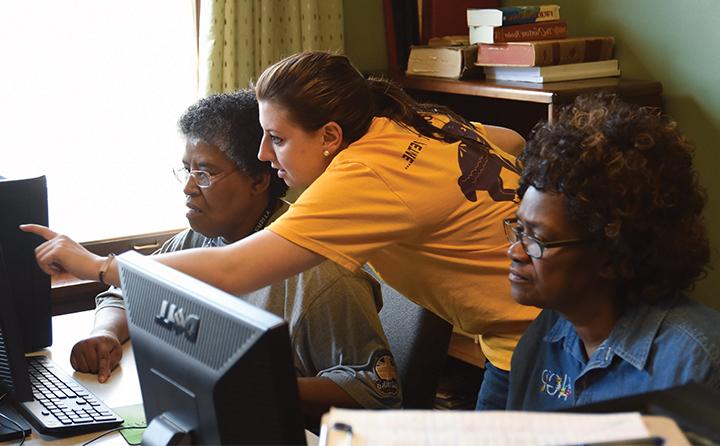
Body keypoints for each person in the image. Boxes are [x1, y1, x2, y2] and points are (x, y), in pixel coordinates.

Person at [23, 52, 539, 409]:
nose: (266, 156)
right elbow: (511, 139)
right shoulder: (407, 123)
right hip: (516, 337)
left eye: (277, 139)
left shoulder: (362, 175)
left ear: (331, 136)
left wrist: (98, 266)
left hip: (541, 339)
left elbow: (234, 267)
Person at [68, 90, 402, 420]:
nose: (188, 187)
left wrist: (252, 385)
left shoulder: (321, 274)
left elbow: (375, 391)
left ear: (258, 181)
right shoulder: (198, 240)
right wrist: (106, 334)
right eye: (186, 170)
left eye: (204, 174)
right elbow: (129, 289)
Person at [502, 94, 720, 410]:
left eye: (538, 239)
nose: (515, 251)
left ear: (610, 254)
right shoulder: (545, 336)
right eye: (520, 229)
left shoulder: (698, 364)